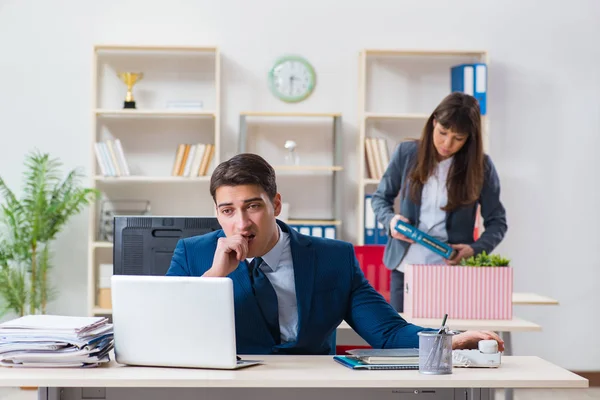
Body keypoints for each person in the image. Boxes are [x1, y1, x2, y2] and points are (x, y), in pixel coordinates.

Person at [166, 152, 504, 355]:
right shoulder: (192, 255)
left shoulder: (334, 259)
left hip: (313, 390)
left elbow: (387, 333)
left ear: (276, 204)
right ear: (216, 213)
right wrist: (214, 278)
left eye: (252, 206)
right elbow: (169, 331)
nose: (241, 223)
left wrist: (453, 339)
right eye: (227, 211)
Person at [372, 92, 508, 312]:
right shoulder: (407, 153)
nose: (447, 143)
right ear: (433, 122)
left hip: (451, 271)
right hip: (405, 267)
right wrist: (391, 221)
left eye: (458, 138)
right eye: (443, 133)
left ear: (469, 138)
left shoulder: (481, 166)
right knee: (401, 341)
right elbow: (380, 198)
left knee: (451, 343)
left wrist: (475, 249)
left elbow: (497, 222)